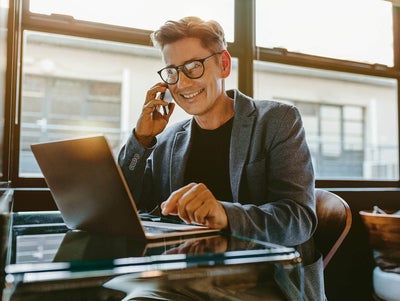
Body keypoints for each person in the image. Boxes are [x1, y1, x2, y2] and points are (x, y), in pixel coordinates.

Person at [118, 16, 316, 246]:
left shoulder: (277, 121)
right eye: (172, 72)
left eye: (193, 67)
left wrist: (225, 214)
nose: (182, 84)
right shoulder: (168, 140)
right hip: (185, 271)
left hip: (264, 273)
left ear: (223, 64)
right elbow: (125, 206)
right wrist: (141, 140)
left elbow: (299, 220)